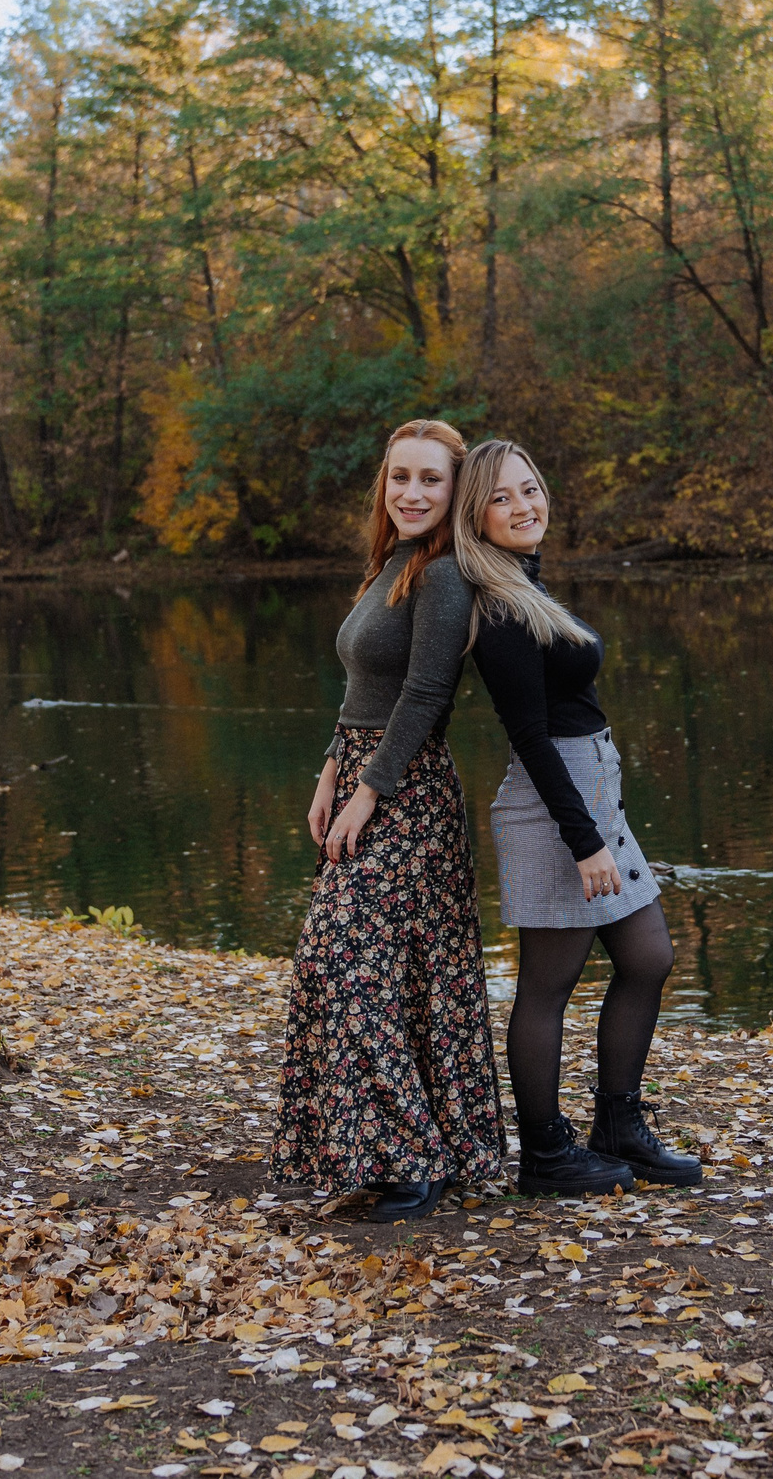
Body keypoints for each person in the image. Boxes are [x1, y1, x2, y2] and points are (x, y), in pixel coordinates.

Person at [454, 438, 701, 1196]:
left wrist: (597, 823)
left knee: (648, 957)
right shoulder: (497, 607)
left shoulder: (526, 584)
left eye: (530, 489)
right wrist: (585, 841)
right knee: (546, 987)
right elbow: (529, 738)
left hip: (592, 792)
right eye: (502, 498)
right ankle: (545, 1155)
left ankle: (618, 1125)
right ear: (477, 515)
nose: (524, 506)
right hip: (553, 807)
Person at [270, 418, 502, 1223]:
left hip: (409, 793)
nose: (411, 493)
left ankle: (415, 1160)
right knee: (360, 969)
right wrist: (329, 772)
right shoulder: (394, 564)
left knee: (354, 965)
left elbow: (426, 696)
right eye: (399, 477)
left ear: (455, 490)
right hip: (367, 774)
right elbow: (362, 690)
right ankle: (391, 1147)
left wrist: (369, 790)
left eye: (430, 480)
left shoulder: (443, 575)